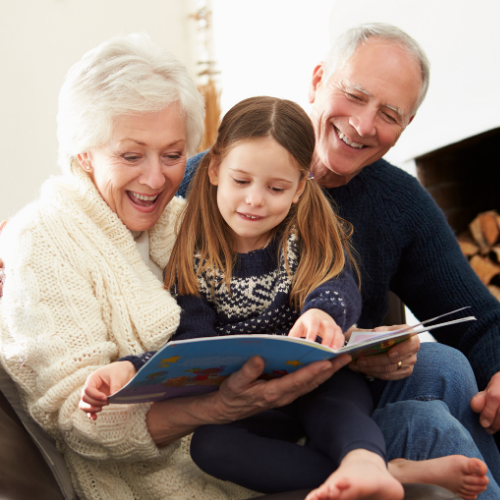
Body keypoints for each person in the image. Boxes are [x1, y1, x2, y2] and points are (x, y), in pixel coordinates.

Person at [80, 96, 489, 500]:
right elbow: (190, 345)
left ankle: (364, 462)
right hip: (253, 403)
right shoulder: (191, 253)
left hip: (320, 382)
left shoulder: (303, 237)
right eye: (242, 182)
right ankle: (392, 472)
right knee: (210, 447)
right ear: (215, 169)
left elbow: (337, 286)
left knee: (338, 406)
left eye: (276, 188)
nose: (255, 199)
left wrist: (322, 313)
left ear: (298, 188)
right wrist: (130, 370)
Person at [0, 34, 352, 500]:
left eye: (172, 155)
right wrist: (215, 409)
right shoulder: (40, 238)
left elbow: (288, 279)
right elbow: (77, 420)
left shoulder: (184, 219)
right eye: (130, 155)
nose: (155, 178)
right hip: (160, 481)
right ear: (82, 152)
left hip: (265, 442)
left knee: (430, 380)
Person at [178, 23, 500, 499]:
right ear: (317, 80)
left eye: (389, 114)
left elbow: (477, 318)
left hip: (337, 391)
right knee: (426, 416)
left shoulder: (399, 204)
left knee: (448, 365)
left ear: (406, 126)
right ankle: (392, 471)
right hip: (240, 405)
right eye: (354, 95)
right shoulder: (204, 186)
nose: (364, 124)